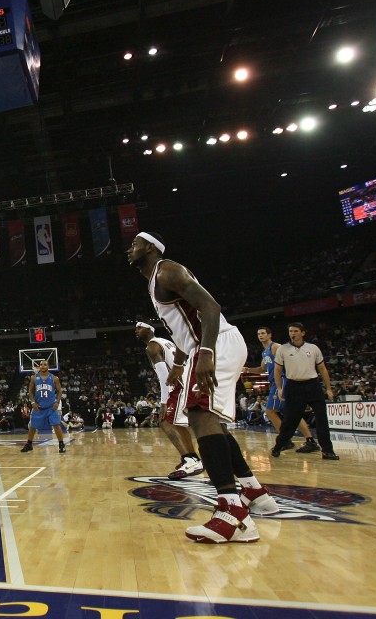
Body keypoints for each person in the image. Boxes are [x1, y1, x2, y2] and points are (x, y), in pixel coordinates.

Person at [127, 231, 276, 543]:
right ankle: (253, 491)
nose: (130, 249)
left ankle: (231, 513)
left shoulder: (168, 271)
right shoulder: (155, 280)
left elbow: (211, 307)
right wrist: (179, 364)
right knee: (211, 423)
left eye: (135, 244)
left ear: (151, 248)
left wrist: (206, 352)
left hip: (214, 343)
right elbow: (183, 331)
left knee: (199, 415)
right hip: (206, 345)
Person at [135, 322, 204, 479]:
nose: (136, 331)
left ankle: (190, 460)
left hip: (177, 384)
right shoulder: (166, 341)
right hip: (187, 381)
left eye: (140, 327)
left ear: (149, 329)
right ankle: (192, 458)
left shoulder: (152, 346)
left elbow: (163, 376)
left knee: (165, 422)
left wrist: (163, 402)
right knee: (177, 423)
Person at [243, 326, 319, 453]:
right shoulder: (265, 352)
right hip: (277, 382)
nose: (260, 335)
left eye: (263, 333)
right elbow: (262, 369)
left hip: (282, 380)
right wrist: (248, 370)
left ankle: (285, 440)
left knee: (269, 411)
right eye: (258, 334)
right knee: (293, 413)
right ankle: (310, 441)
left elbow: (291, 358)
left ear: (269, 335)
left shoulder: (275, 347)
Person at [270, 322, 339, 460]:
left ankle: (327, 450)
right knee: (290, 421)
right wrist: (279, 388)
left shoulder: (313, 348)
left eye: (295, 331)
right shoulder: (282, 349)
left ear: (302, 333)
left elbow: (322, 368)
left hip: (313, 385)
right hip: (293, 386)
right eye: (290, 331)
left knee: (322, 419)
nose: (292, 333)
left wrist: (328, 388)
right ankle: (278, 446)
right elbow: (277, 370)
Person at [20, 360, 66, 453]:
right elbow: (30, 391)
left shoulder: (54, 378)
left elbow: (59, 391)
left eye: (45, 364)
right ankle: (29, 444)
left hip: (51, 407)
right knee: (32, 426)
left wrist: (57, 402)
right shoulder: (34, 378)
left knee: (56, 425)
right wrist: (33, 402)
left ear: (48, 366)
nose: (43, 366)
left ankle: (61, 444)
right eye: (41, 365)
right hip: (38, 407)